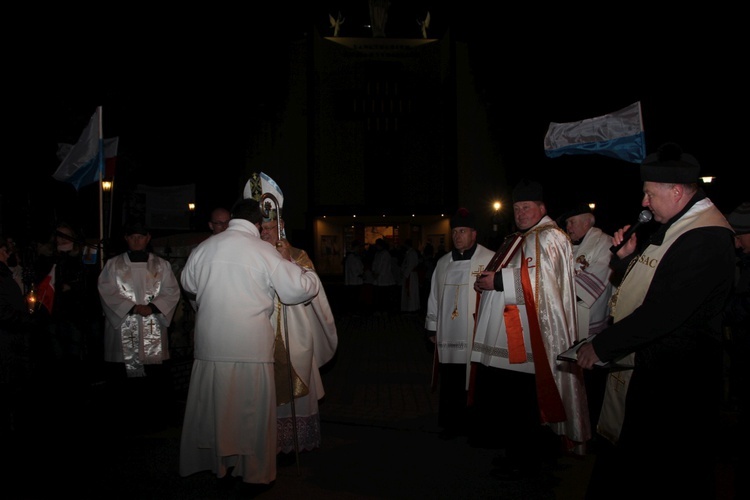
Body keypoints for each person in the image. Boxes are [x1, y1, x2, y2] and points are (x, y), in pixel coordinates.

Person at [576, 143, 736, 499]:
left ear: (676, 191)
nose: (644, 203)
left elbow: (663, 312)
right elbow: (648, 286)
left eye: (649, 194)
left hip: (678, 382)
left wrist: (600, 346)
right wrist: (624, 261)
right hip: (655, 369)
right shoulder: (679, 225)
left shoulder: (706, 237)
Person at [179, 198, 321, 493]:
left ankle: (218, 465)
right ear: (257, 223)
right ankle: (253, 473)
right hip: (250, 348)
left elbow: (189, 285)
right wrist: (309, 277)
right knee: (250, 415)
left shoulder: (204, 248)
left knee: (216, 411)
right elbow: (296, 290)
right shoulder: (262, 251)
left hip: (210, 347)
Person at [471, 179, 590, 479]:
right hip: (513, 331)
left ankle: (531, 461)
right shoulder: (521, 237)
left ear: (542, 208)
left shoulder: (550, 238)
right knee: (515, 400)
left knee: (528, 400)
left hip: (533, 334)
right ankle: (517, 454)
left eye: (526, 207)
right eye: (517, 208)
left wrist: (497, 282)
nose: (520, 213)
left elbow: (543, 285)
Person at [259, 214, 337, 465]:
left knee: (298, 377)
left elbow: (312, 288)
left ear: (281, 226)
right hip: (264, 328)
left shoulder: (298, 254)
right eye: (262, 228)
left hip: (295, 328)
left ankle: (294, 442)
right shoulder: (254, 253)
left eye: (271, 228)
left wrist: (287, 262)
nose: (266, 233)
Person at [97, 221, 181, 429]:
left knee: (153, 377)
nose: (137, 240)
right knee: (124, 379)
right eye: (132, 236)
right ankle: (124, 422)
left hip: (152, 326)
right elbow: (107, 291)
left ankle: (155, 421)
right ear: (126, 238)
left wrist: (152, 307)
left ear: (148, 238)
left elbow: (171, 291)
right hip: (123, 328)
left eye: (141, 236)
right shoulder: (113, 265)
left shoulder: (161, 265)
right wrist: (132, 307)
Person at [424, 208, 494, 440]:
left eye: (462, 231)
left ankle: (476, 426)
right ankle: (451, 424)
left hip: (475, 332)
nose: (457, 236)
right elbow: (434, 296)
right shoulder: (443, 263)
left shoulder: (489, 259)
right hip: (448, 332)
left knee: (475, 378)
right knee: (451, 379)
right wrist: (432, 326)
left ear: (474, 233)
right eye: (454, 232)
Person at [559, 203, 614, 435]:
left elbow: (598, 278)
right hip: (568, 320)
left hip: (592, 321)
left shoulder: (606, 243)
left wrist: (558, 290)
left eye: (572, 222)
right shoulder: (567, 246)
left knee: (591, 379)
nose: (568, 227)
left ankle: (592, 430)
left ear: (587, 221)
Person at [372, 238, 396, 315]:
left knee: (384, 295)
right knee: (379, 295)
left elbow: (384, 267)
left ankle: (384, 310)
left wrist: (378, 273)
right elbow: (375, 264)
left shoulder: (386, 254)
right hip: (378, 277)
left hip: (384, 278)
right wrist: (374, 272)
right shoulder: (377, 254)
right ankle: (379, 309)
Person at [343, 240, 365, 315]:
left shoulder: (353, 256)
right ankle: (353, 311)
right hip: (354, 280)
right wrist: (360, 274)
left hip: (354, 280)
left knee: (354, 296)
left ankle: (353, 311)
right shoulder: (352, 257)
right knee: (354, 297)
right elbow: (354, 269)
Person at [400, 238, 421, 313]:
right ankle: (409, 307)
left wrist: (405, 274)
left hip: (410, 275)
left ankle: (412, 308)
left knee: (411, 291)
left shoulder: (411, 253)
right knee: (410, 291)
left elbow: (411, 265)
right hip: (409, 274)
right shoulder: (409, 253)